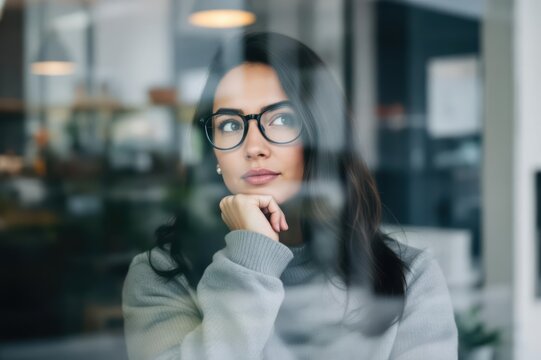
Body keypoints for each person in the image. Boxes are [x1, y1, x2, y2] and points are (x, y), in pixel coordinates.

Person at [122, 32, 458, 360]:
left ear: (320, 134)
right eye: (229, 125)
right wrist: (250, 259)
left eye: (281, 119)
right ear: (214, 156)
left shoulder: (409, 276)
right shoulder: (162, 276)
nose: (253, 147)